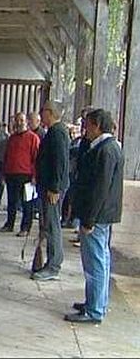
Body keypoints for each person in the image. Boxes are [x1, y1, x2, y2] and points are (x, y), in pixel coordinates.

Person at [65, 109, 123, 324]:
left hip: (97, 215)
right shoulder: (105, 147)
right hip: (103, 214)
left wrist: (89, 219)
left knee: (95, 262)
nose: (84, 129)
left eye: (88, 125)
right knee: (101, 260)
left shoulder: (106, 151)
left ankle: (95, 309)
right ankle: (97, 301)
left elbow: (100, 188)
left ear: (97, 125)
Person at [32, 100, 70, 281]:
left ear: (51, 113)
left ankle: (53, 265)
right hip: (47, 186)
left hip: (52, 189)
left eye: (43, 111)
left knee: (53, 225)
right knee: (48, 224)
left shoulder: (58, 133)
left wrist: (54, 188)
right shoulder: (53, 132)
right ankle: (50, 261)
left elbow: (59, 163)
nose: (41, 114)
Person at [0, 112, 40, 237]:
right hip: (11, 174)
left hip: (26, 176)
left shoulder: (33, 138)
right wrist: (4, 173)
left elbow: (36, 159)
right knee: (12, 201)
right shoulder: (12, 138)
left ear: (26, 122)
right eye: (17, 120)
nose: (19, 123)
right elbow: (7, 156)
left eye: (22, 120)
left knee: (27, 203)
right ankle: (9, 224)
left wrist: (35, 176)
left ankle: (25, 227)